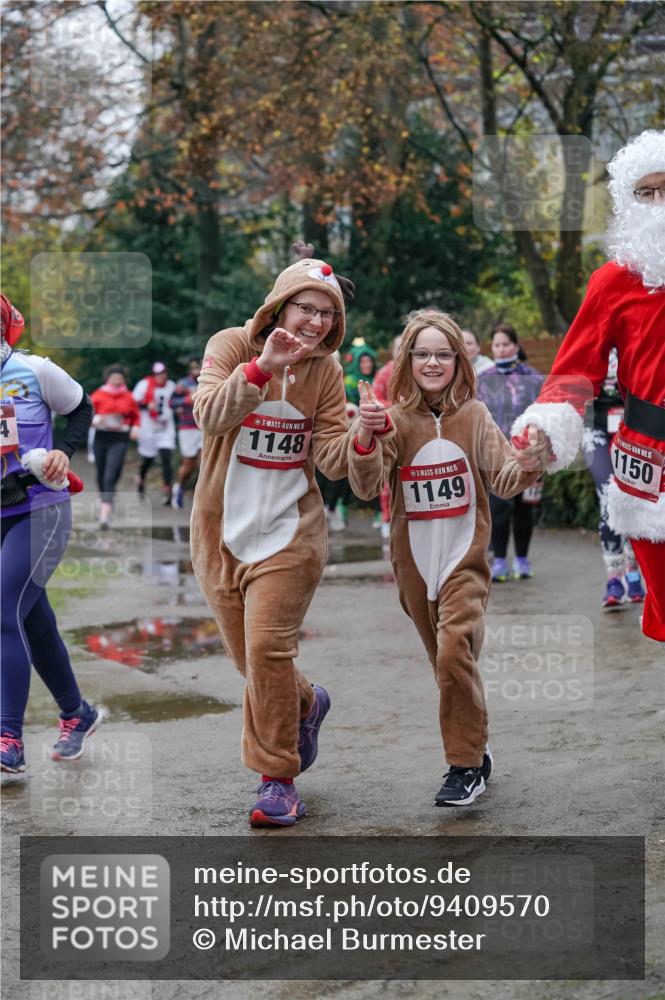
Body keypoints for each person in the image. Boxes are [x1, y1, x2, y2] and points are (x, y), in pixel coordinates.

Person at [347, 309, 543, 806]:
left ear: (459, 360)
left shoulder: (474, 415)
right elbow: (366, 484)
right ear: (407, 359)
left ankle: (464, 767)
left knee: (456, 648)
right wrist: (367, 438)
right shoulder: (392, 420)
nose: (433, 363)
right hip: (414, 565)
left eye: (443, 354)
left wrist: (532, 460)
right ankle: (475, 742)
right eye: (423, 354)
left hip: (465, 559)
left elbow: (503, 479)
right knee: (447, 664)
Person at [190, 242, 355, 827]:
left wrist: (360, 440)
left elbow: (333, 458)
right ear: (279, 307)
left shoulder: (326, 370)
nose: (315, 322)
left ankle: (277, 780)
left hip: (292, 534)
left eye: (327, 313)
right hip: (220, 537)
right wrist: (260, 369)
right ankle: (308, 701)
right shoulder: (231, 346)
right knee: (251, 661)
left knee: (267, 650)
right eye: (306, 308)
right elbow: (208, 413)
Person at [512, 129, 665, 642]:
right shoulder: (611, 283)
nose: (659, 203)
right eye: (647, 192)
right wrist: (544, 428)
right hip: (651, 471)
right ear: (628, 202)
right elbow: (576, 371)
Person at [1, 293, 104, 773]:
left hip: (40, 507)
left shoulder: (34, 370)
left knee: (4, 610)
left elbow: (82, 407)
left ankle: (8, 738)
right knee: (31, 619)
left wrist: (64, 449)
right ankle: (76, 713)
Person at [477, 324, 544, 581]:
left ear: (516, 346)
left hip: (530, 455)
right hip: (495, 456)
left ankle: (523, 559)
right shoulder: (483, 380)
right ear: (491, 348)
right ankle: (501, 560)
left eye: (506, 344)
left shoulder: (533, 378)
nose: (501, 349)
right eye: (497, 345)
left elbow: (544, 415)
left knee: (524, 509)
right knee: (499, 507)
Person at [582, 349, 646, 608]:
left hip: (634, 427)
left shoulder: (635, 334)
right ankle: (613, 578)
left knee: (634, 498)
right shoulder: (592, 337)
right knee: (608, 496)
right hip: (594, 429)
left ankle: (632, 572)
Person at [90, 363, 140, 528]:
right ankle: (105, 497)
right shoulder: (98, 394)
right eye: (114, 377)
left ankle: (105, 513)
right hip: (101, 437)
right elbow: (88, 414)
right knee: (101, 471)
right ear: (108, 378)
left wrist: (135, 428)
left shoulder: (128, 396)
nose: (117, 380)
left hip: (120, 437)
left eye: (120, 377)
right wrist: (96, 420)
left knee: (112, 472)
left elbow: (136, 416)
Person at [133, 361, 176, 505]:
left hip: (166, 427)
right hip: (148, 427)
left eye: (163, 373)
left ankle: (167, 491)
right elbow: (133, 403)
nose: (161, 376)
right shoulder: (143, 385)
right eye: (158, 374)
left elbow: (176, 402)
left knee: (166, 457)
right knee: (148, 459)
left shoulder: (171, 386)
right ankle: (141, 479)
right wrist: (146, 405)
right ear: (153, 374)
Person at [373, 336, 402, 540]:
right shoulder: (385, 373)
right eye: (399, 347)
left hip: (415, 433)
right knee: (388, 479)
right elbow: (375, 399)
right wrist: (395, 409)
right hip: (389, 431)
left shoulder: (417, 372)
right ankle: (386, 518)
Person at [170, 359, 202, 510]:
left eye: (200, 367)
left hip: (205, 427)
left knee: (204, 463)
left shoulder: (211, 380)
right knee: (188, 464)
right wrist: (187, 400)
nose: (197, 370)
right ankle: (178, 488)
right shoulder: (183, 384)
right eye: (195, 367)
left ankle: (202, 497)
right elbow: (172, 402)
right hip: (188, 427)